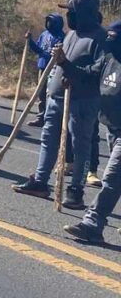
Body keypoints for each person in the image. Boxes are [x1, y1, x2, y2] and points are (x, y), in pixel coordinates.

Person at [14, 0, 105, 209]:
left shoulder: (100, 39)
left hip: (82, 101)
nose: (67, 16)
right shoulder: (72, 34)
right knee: (48, 139)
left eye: (71, 12)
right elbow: (62, 63)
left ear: (82, 14)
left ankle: (75, 190)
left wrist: (69, 68)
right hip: (57, 98)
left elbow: (97, 72)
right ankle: (40, 181)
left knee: (80, 145)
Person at [64, 21, 121, 244]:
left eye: (115, 38)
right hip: (112, 127)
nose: (109, 41)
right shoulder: (108, 58)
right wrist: (65, 66)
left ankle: (92, 224)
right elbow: (88, 74)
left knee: (112, 178)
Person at [26, 14, 66, 127]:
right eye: (48, 21)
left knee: (51, 94)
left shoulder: (61, 37)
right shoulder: (44, 34)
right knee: (41, 93)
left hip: (54, 69)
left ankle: (51, 118)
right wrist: (29, 41)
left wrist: (43, 53)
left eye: (51, 21)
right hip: (42, 67)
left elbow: (53, 54)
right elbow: (38, 49)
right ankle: (41, 116)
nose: (49, 23)